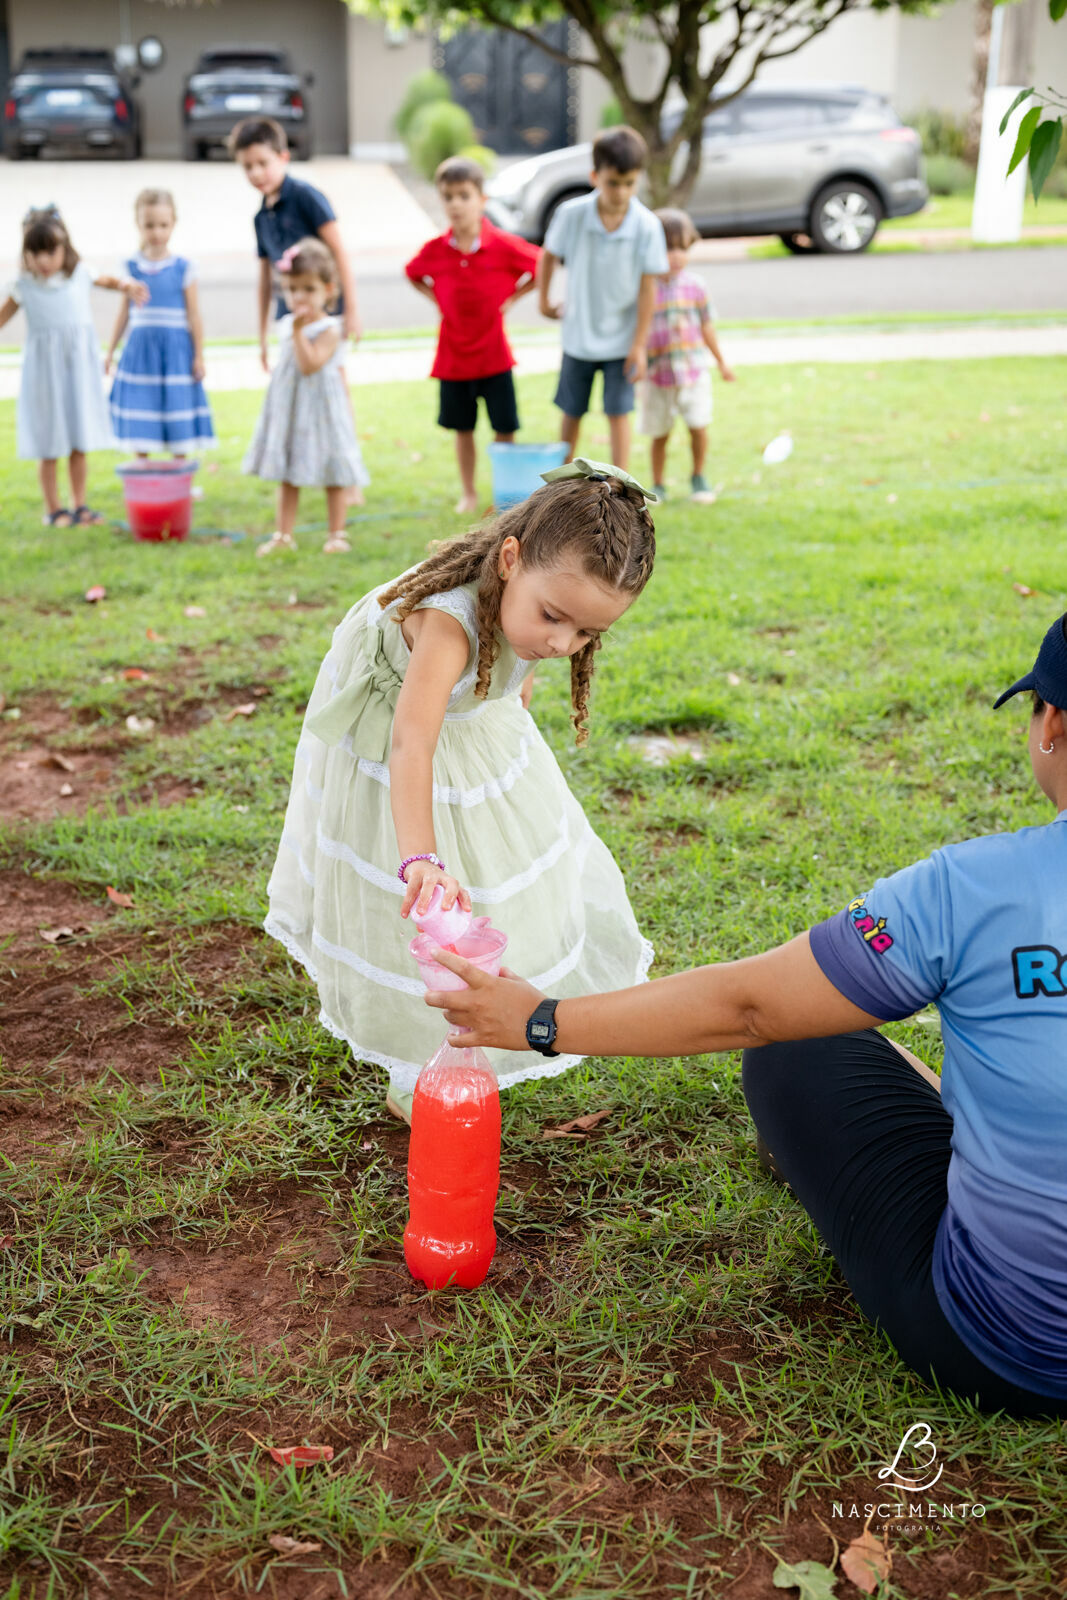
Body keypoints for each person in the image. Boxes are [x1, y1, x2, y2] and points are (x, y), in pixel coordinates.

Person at [425, 614, 1067, 1418]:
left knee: (799, 1048)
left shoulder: (972, 889)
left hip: (1009, 1348)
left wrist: (539, 1020)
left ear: (1050, 723)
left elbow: (752, 1007)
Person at [264, 459, 658, 1124]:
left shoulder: (534, 611)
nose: (563, 642)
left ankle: (482, 1017)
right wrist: (421, 858)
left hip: (466, 714)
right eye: (554, 618)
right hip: (400, 718)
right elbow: (411, 743)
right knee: (420, 899)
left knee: (505, 868)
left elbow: (517, 664)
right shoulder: (448, 625)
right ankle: (416, 1065)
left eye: (588, 633)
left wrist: (510, 699)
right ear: (510, 559)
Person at [405, 156, 541, 515]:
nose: (455, 204)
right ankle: (468, 492)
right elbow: (413, 272)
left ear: (482, 199)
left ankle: (505, 494)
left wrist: (515, 297)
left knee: (504, 429)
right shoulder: (436, 250)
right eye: (448, 196)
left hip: (495, 357)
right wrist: (436, 298)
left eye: (464, 195)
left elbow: (542, 264)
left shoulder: (502, 245)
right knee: (462, 429)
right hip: (453, 360)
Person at [0, 207, 147, 528]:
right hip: (44, 377)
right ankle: (55, 509)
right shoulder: (23, 286)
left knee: (79, 441)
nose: (43, 260)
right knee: (49, 442)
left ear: (64, 249)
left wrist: (126, 285)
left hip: (77, 373)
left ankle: (80, 505)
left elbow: (106, 280)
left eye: (49, 251)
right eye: (34, 252)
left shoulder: (79, 275)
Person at [538, 126, 668, 472]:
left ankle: (621, 484)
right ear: (595, 176)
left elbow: (647, 289)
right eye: (613, 183)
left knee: (618, 412)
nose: (621, 192)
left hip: (622, 342)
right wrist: (544, 302)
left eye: (629, 183)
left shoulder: (647, 225)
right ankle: (561, 480)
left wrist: (639, 345)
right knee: (571, 410)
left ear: (638, 179)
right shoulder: (572, 215)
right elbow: (548, 255)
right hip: (578, 336)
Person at [244, 238, 369, 557]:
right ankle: (283, 534)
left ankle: (336, 533)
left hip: (322, 410)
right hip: (291, 408)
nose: (299, 296)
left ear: (328, 289)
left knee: (333, 471)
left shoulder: (330, 328)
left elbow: (311, 364)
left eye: (309, 289)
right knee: (288, 473)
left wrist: (299, 332)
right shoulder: (286, 325)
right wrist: (294, 330)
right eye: (293, 288)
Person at [230, 116, 361, 372]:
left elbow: (339, 252)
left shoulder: (306, 197)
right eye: (247, 166)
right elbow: (266, 280)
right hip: (290, 315)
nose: (256, 172)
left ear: (283, 157)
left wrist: (352, 311)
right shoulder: (260, 218)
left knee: (332, 379)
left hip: (326, 312)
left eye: (262, 163)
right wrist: (262, 336)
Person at [105, 188, 215, 458]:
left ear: (174, 223)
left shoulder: (184, 267)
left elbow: (193, 315)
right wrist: (110, 351)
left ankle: (179, 482)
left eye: (163, 225)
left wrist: (199, 355)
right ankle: (144, 482)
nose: (156, 232)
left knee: (179, 415)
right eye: (149, 225)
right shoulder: (130, 268)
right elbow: (123, 314)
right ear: (138, 225)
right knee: (142, 417)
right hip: (140, 354)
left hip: (176, 354)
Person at [643, 209, 735, 505]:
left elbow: (707, 325)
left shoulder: (695, 285)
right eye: (669, 248)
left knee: (698, 425)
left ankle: (698, 477)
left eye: (683, 248)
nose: (676, 255)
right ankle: (657, 484)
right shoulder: (645, 286)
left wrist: (721, 361)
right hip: (657, 375)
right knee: (660, 433)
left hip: (693, 371)